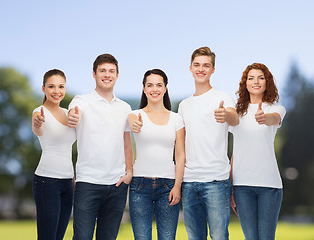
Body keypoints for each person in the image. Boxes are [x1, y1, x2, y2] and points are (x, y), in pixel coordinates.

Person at [67, 54, 133, 240]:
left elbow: (127, 142)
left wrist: (129, 172)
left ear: (117, 75)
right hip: (88, 183)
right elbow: (74, 113)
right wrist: (73, 116)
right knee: (82, 237)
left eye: (111, 71)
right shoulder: (81, 101)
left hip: (117, 185)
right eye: (102, 71)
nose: (107, 75)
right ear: (94, 74)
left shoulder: (125, 108)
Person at [178, 46, 239, 240]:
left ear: (213, 69)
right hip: (189, 183)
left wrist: (226, 114)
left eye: (206, 65)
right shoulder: (184, 106)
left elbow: (235, 119)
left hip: (216, 182)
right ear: (190, 68)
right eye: (197, 65)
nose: (201, 69)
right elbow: (180, 144)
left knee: (219, 236)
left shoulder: (223, 98)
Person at [230, 63, 286, 240]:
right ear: (245, 83)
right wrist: (230, 186)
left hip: (269, 186)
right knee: (250, 237)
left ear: (267, 82)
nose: (256, 81)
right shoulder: (237, 114)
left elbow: (274, 119)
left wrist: (264, 118)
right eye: (251, 78)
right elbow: (235, 152)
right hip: (242, 186)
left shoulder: (275, 109)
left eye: (261, 78)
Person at [128, 69, 185, 240]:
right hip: (139, 185)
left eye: (159, 85)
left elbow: (180, 155)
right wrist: (132, 122)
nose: (155, 89)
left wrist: (177, 186)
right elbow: (130, 121)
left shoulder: (176, 119)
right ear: (144, 89)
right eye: (150, 85)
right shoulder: (135, 115)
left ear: (165, 88)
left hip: (168, 186)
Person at [31, 69, 76, 240]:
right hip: (46, 181)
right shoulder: (39, 111)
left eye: (61, 86)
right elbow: (37, 128)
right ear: (43, 89)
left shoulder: (67, 113)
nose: (56, 91)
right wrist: (37, 123)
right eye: (51, 86)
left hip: (68, 183)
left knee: (59, 236)